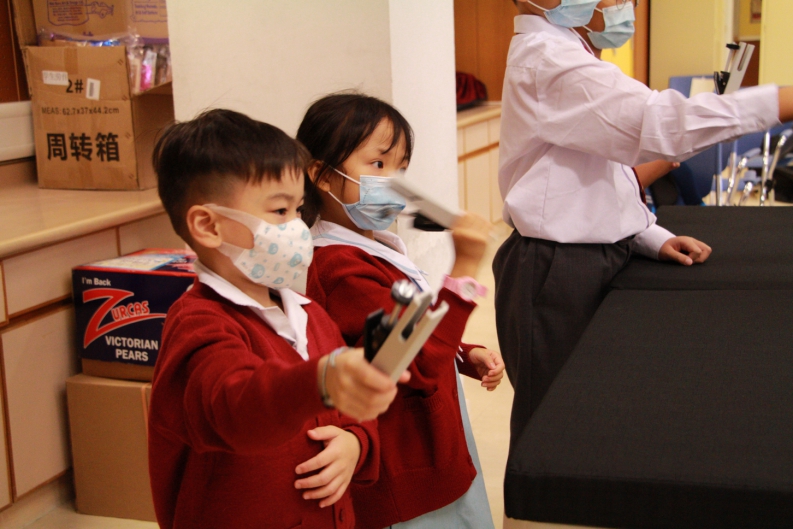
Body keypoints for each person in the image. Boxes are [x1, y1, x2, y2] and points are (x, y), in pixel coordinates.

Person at [496, 0, 793, 454]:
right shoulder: (547, 59)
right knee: (553, 426)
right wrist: (782, 101)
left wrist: (647, 234)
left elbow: (599, 173)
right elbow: (664, 125)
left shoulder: (570, 50)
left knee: (590, 413)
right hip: (556, 268)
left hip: (591, 256)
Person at [147, 109, 408, 529]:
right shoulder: (198, 325)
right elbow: (236, 405)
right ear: (208, 226)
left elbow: (351, 412)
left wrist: (356, 442)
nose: (298, 227)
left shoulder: (309, 314)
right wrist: (322, 380)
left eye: (298, 208)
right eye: (280, 211)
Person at [297, 93, 505, 529]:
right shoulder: (340, 268)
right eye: (378, 164)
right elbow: (414, 359)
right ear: (323, 176)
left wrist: (461, 353)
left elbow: (401, 331)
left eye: (401, 168)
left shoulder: (373, 248)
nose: (393, 181)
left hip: (431, 442)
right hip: (405, 463)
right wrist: (465, 268)